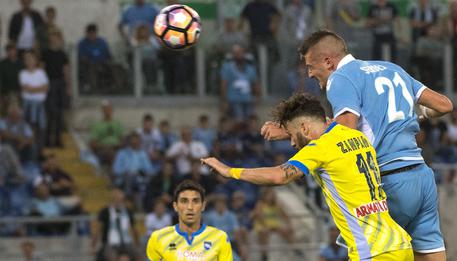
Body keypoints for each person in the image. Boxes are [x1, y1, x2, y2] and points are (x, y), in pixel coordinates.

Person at [261, 30, 452, 260]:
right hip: (422, 177)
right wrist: (415, 116)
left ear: (329, 62)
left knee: (368, 249)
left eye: (311, 66)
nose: (309, 74)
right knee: (431, 254)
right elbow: (444, 105)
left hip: (387, 179)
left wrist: (291, 130)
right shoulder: (392, 68)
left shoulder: (340, 79)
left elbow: (346, 134)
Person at [203, 93, 413, 260]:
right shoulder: (355, 135)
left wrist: (230, 171)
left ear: (304, 127)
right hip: (399, 243)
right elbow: (324, 123)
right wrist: (288, 129)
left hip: (373, 249)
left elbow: (279, 176)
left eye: (293, 137)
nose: (293, 143)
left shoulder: (318, 149)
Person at [146, 179, 233, 260]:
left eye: (195, 201)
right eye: (184, 201)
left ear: (203, 206)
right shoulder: (158, 238)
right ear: (175, 206)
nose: (190, 207)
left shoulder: (220, 237)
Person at [92, 189, 139, 261]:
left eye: (121, 200)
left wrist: (137, 244)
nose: (118, 202)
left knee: (139, 255)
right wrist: (93, 245)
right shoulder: (105, 211)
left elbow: (134, 229)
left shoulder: (128, 211)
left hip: (126, 242)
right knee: (113, 257)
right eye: (116, 199)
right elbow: (98, 229)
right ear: (112, 200)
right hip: (110, 243)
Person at [42, 30, 70, 147]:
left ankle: (58, 140)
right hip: (49, 84)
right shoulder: (46, 53)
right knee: (50, 113)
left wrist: (68, 86)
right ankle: (48, 140)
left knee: (59, 114)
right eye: (52, 37)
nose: (54, 40)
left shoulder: (63, 54)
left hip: (60, 84)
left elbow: (66, 71)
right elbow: (42, 70)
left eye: (56, 37)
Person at [20, 50, 48, 154]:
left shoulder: (41, 73)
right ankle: (29, 151)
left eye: (32, 59)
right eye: (27, 59)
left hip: (40, 104)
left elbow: (45, 88)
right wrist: (38, 88)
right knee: (29, 128)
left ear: (35, 61)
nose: (30, 61)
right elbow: (26, 88)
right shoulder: (23, 73)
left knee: (41, 128)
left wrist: (33, 89)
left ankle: (40, 151)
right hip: (28, 104)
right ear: (25, 62)